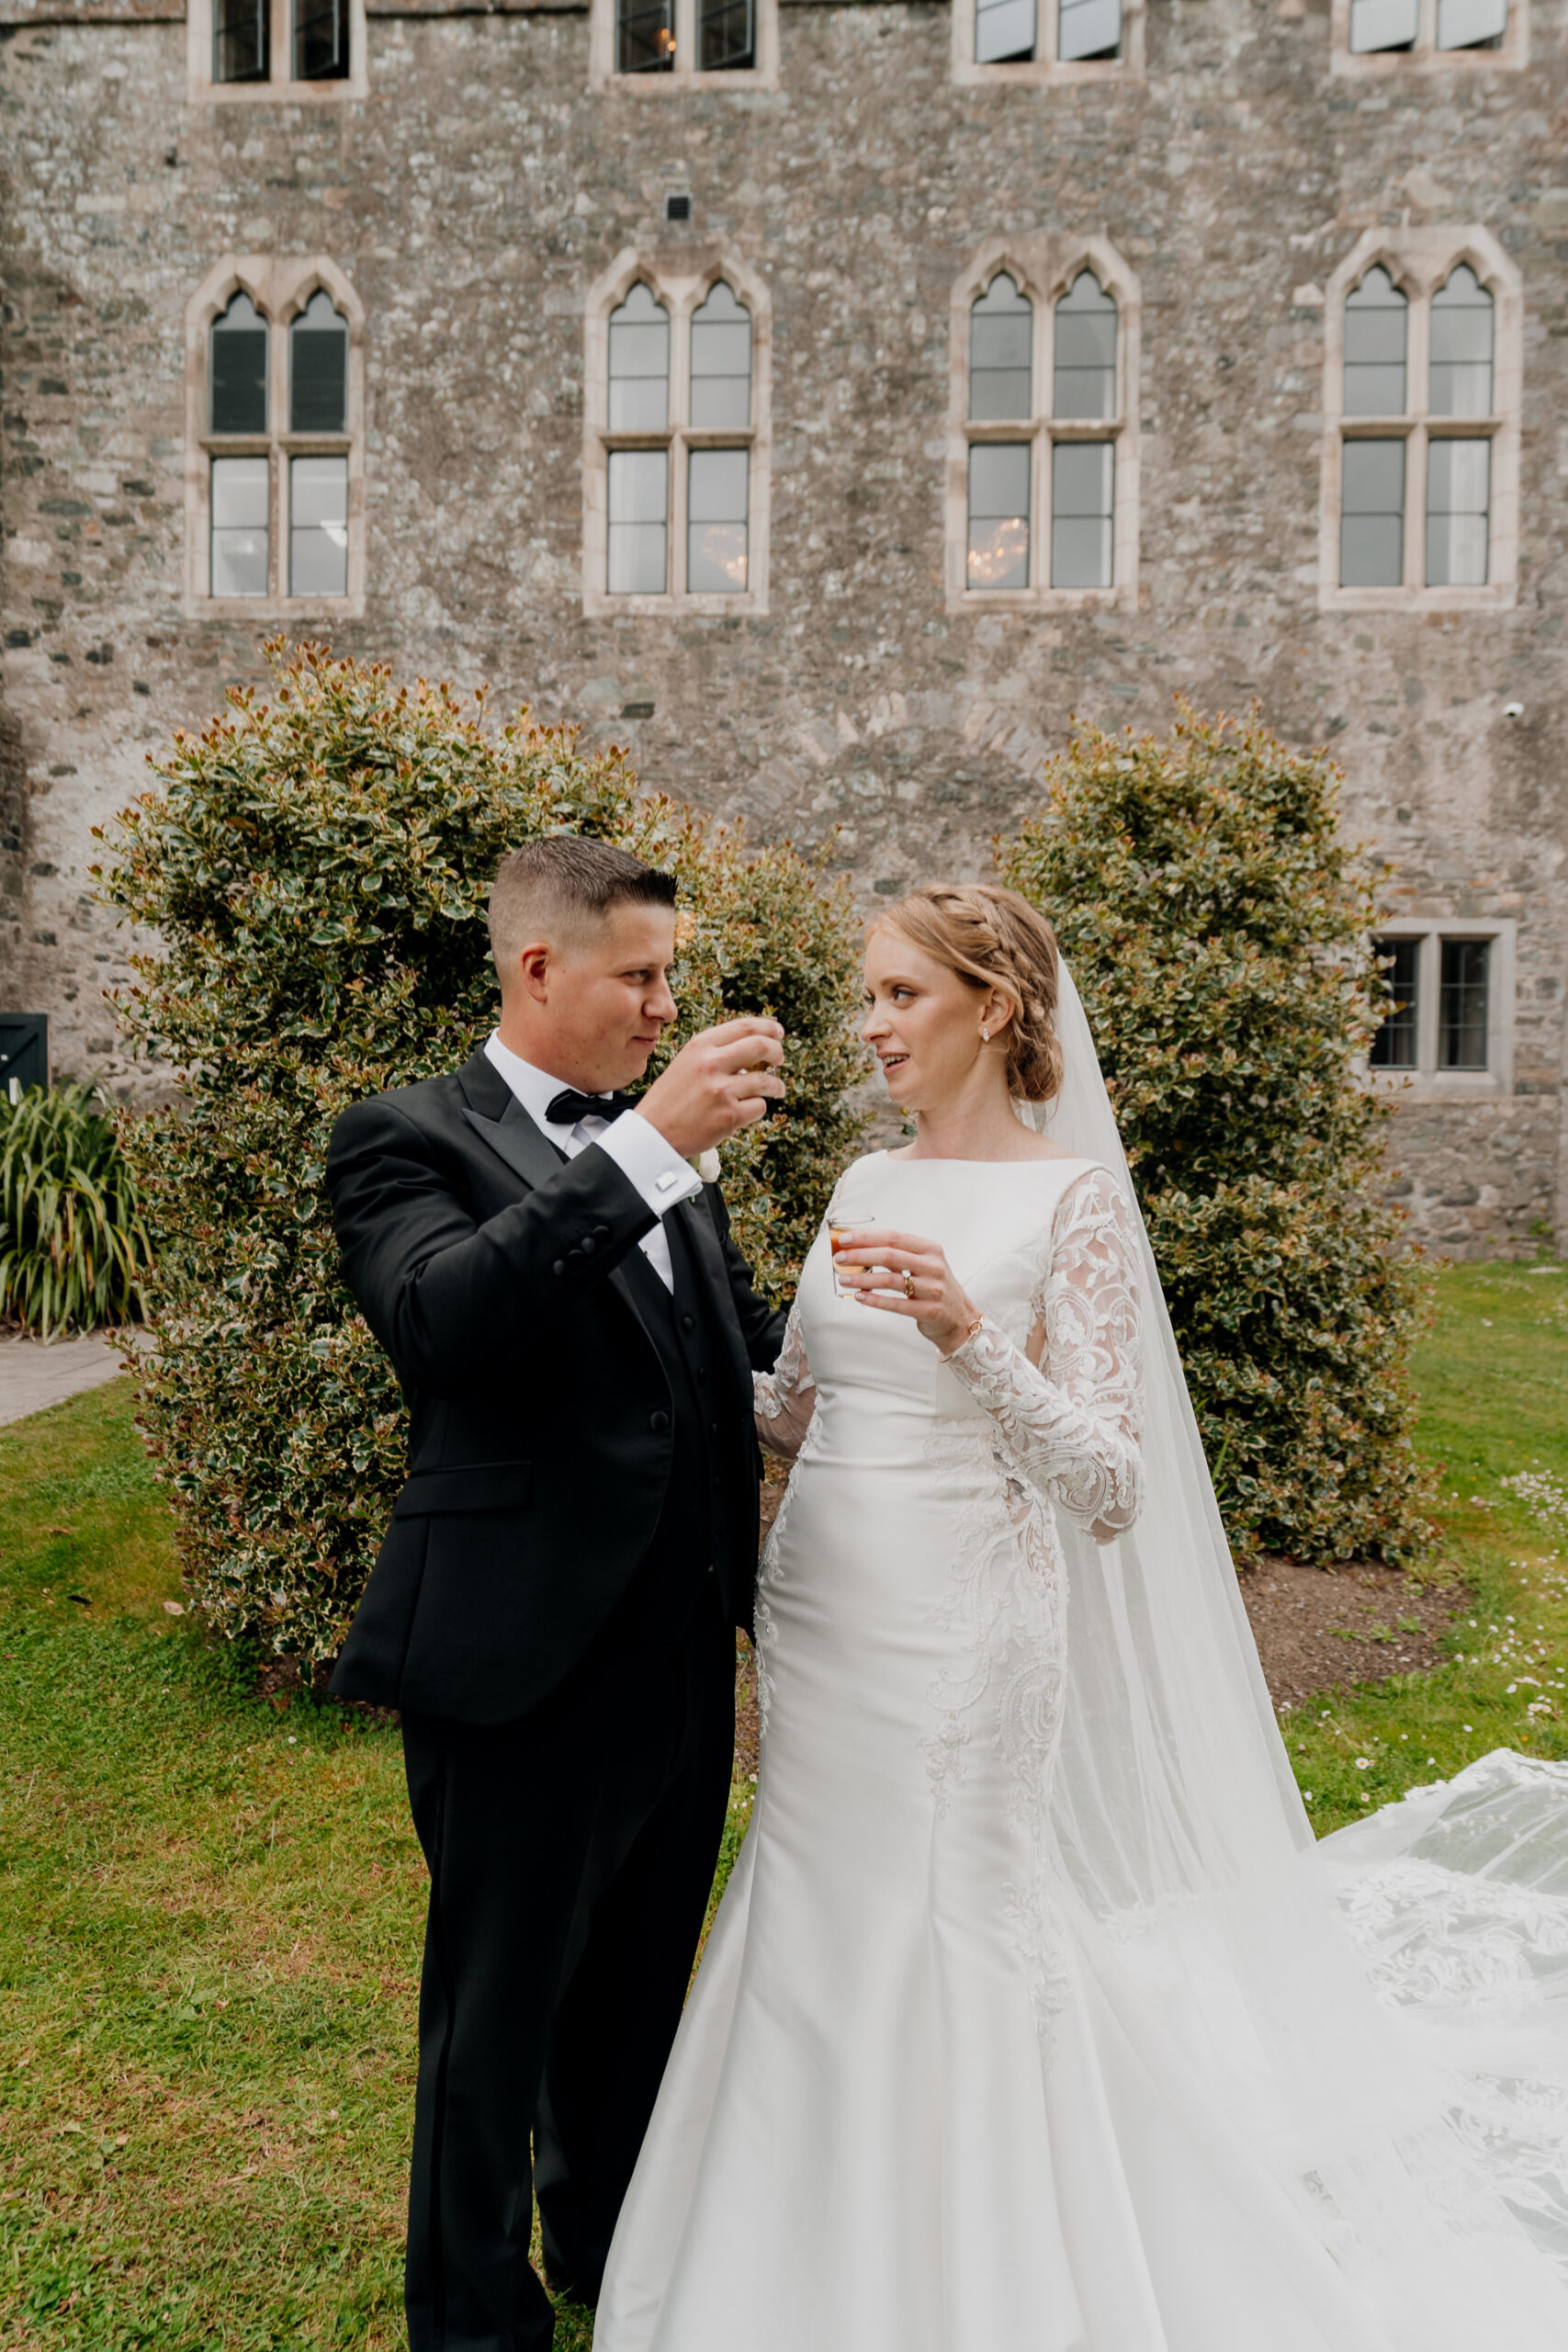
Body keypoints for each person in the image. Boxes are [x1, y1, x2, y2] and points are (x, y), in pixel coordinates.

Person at [593, 881, 1568, 2352]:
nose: (869, 1026)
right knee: (815, 1899)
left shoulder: (1072, 1201)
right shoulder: (862, 1187)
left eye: (900, 997)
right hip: (824, 1622)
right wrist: (634, 1363)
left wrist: (969, 1338)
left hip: (966, 1638)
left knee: (952, 1919)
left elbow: (1110, 1482)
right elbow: (794, 1409)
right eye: (867, 997)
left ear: (992, 1006)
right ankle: (786, 2245)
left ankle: (984, 2271)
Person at [325, 835, 790, 2352]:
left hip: (677, 1661)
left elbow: (724, 1349)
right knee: (495, 2024)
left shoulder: (667, 1153)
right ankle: (470, 2321)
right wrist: (646, 1150)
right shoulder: (406, 1136)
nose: (667, 1005)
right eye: (641, 976)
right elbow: (443, 1323)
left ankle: (607, 2253)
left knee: (635, 2002)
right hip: (517, 1666)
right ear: (540, 970)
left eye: (671, 976)